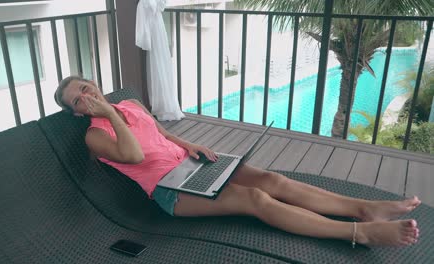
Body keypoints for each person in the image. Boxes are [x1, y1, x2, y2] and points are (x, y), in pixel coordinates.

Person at [55, 76, 421, 247]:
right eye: (78, 101)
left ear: (95, 84)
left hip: (190, 164)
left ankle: (366, 208)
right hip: (170, 192)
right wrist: (106, 112)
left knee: (271, 179)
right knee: (255, 200)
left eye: (86, 88)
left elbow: (161, 134)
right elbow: (134, 154)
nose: (86, 97)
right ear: (76, 113)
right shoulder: (96, 134)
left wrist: (191, 144)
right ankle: (359, 232)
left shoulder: (131, 104)